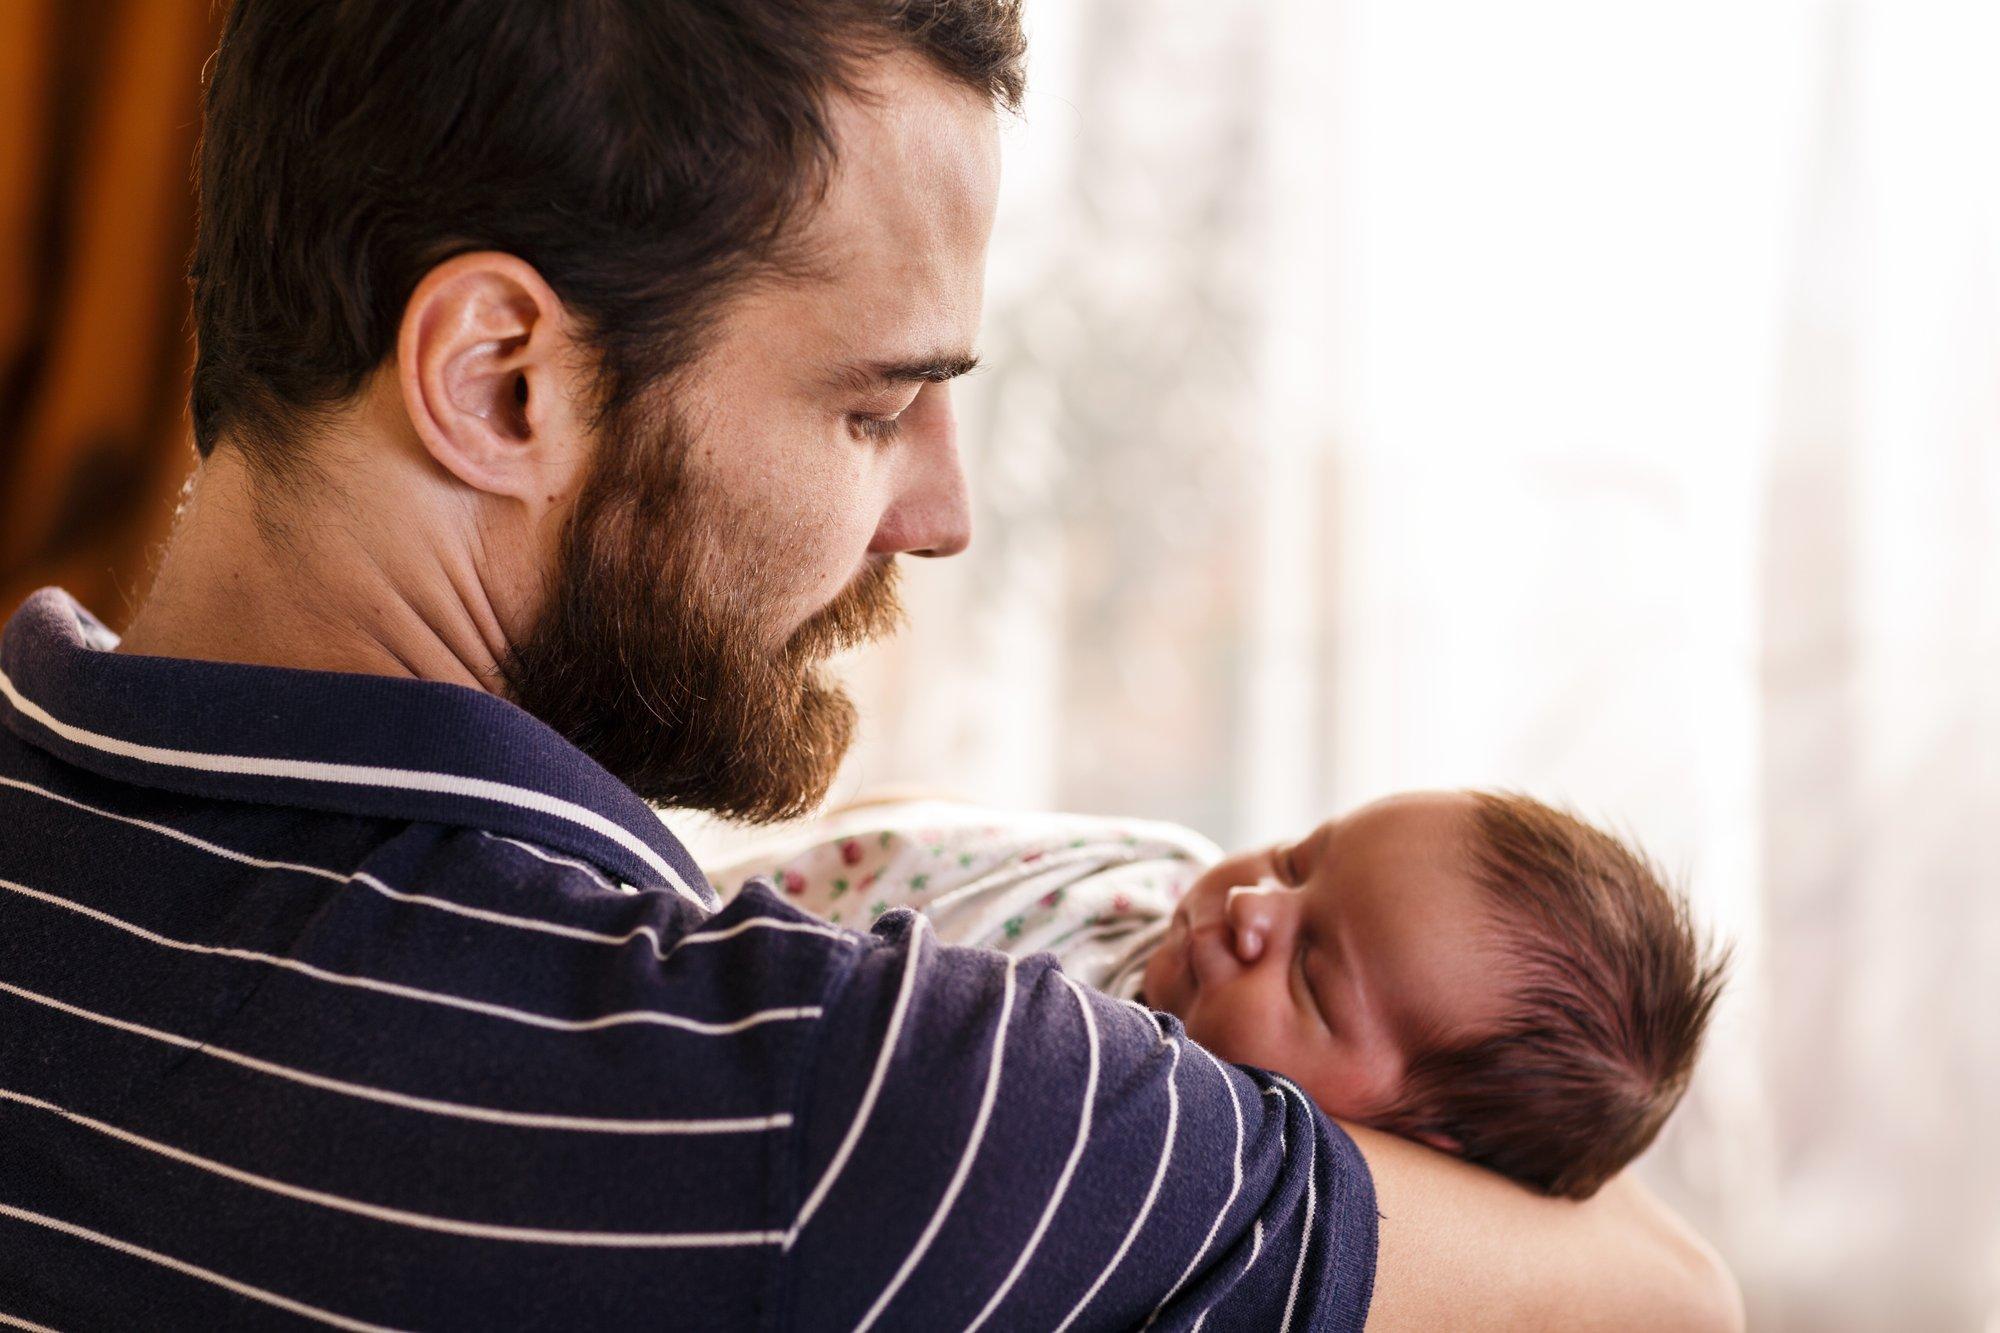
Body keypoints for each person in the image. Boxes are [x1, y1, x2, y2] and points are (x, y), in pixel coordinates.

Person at [0, 1, 1742, 1328]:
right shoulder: (852, 1106)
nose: (940, 513)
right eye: (872, 406)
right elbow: (1664, 1294)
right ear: (501, 379)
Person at [712, 789, 1729, 1201]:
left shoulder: (1154, 1124)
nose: (1249, 902)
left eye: (1311, 972)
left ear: (1413, 1152)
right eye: (1297, 858)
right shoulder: (1160, 869)